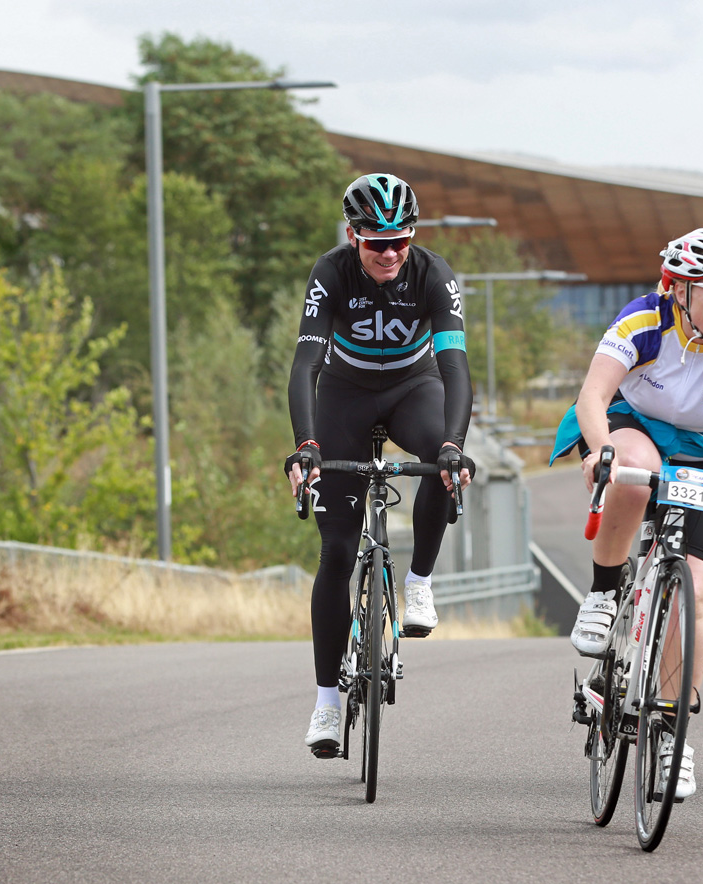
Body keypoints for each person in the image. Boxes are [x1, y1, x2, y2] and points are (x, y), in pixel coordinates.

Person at [552, 227, 703, 798]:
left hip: (702, 451)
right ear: (680, 290)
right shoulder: (644, 320)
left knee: (697, 592)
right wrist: (601, 451)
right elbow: (592, 397)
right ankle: (604, 592)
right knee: (635, 472)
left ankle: (670, 733)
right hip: (631, 426)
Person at [285, 173, 474, 758]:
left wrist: (454, 443)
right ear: (354, 237)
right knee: (337, 551)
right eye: (376, 243)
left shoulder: (435, 275)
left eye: (399, 241)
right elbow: (305, 364)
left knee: (440, 461)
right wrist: (306, 444)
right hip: (345, 396)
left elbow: (455, 368)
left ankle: (419, 583)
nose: (389, 253)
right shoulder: (331, 272)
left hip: (414, 389)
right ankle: (326, 704)